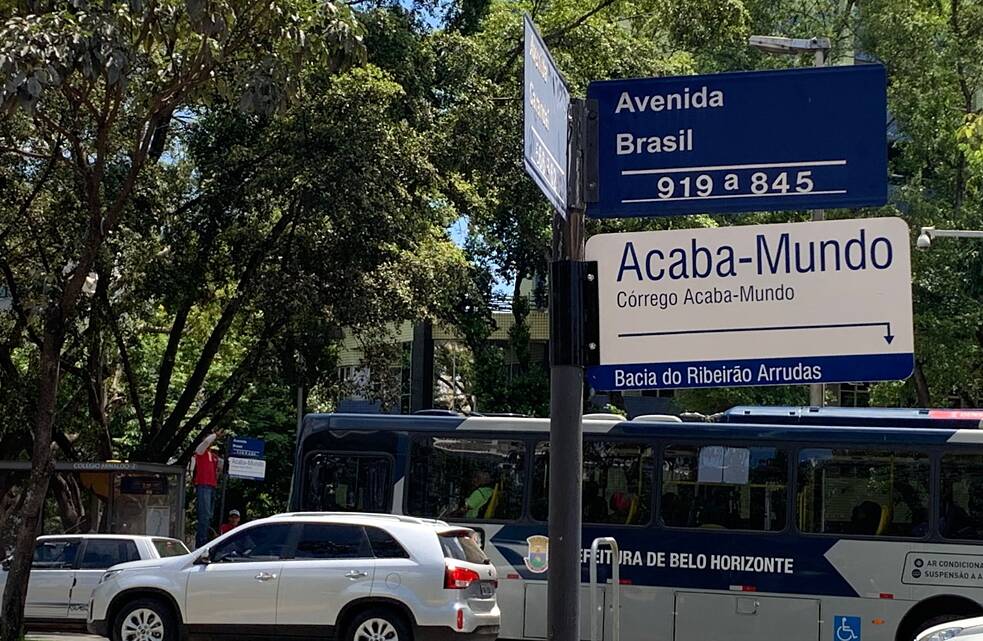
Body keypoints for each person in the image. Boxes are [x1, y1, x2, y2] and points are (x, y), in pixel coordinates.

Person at [190, 428, 225, 548]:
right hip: (203, 485)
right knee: (204, 516)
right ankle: (201, 544)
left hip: (212, 486)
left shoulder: (213, 456)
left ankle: (205, 541)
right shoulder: (200, 452)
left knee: (209, 516)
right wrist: (215, 435)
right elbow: (205, 443)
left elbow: (223, 466)